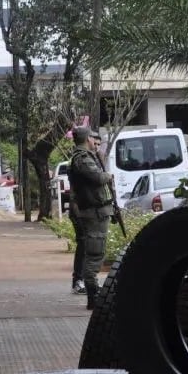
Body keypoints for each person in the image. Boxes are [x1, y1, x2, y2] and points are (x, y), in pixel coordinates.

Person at [67, 126, 114, 309]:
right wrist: (107, 175)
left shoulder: (83, 157)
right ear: (87, 139)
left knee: (95, 251)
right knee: (94, 254)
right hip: (94, 212)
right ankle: (93, 293)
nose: (95, 142)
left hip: (97, 211)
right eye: (93, 139)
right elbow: (97, 178)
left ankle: (93, 291)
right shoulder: (83, 159)